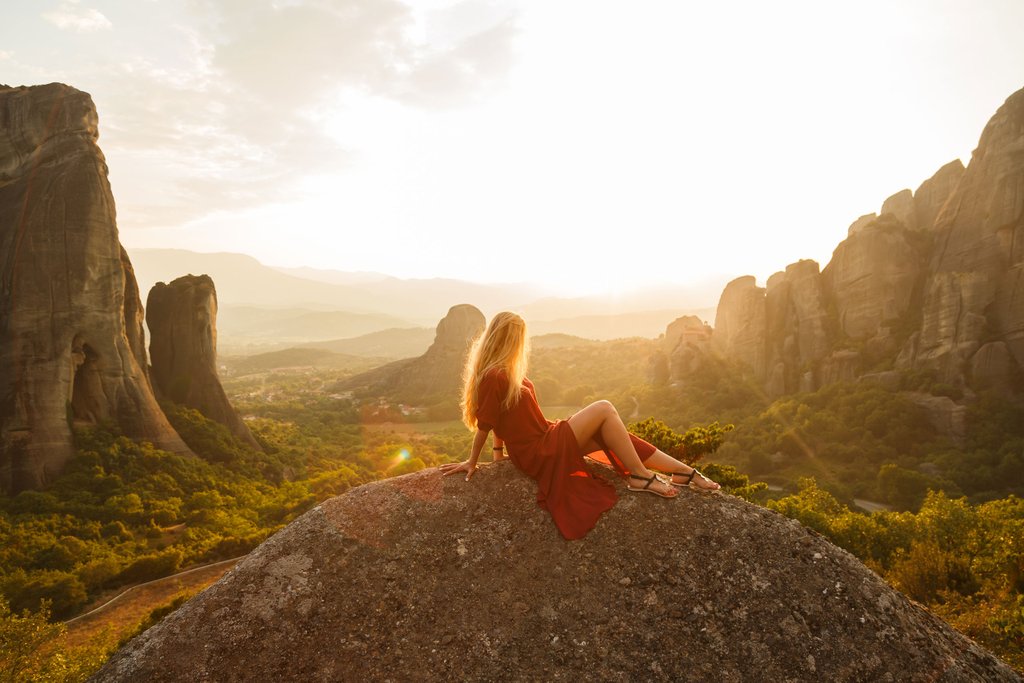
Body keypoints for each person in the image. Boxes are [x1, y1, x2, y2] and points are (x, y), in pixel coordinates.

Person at [439, 311, 719, 540]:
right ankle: (640, 476)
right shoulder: (494, 375)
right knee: (605, 408)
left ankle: (684, 472)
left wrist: (499, 454)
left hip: (546, 437)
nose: (519, 344)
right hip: (539, 450)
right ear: (506, 338)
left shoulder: (506, 372)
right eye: (517, 337)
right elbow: (486, 423)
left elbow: (502, 418)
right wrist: (473, 461)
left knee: (614, 434)